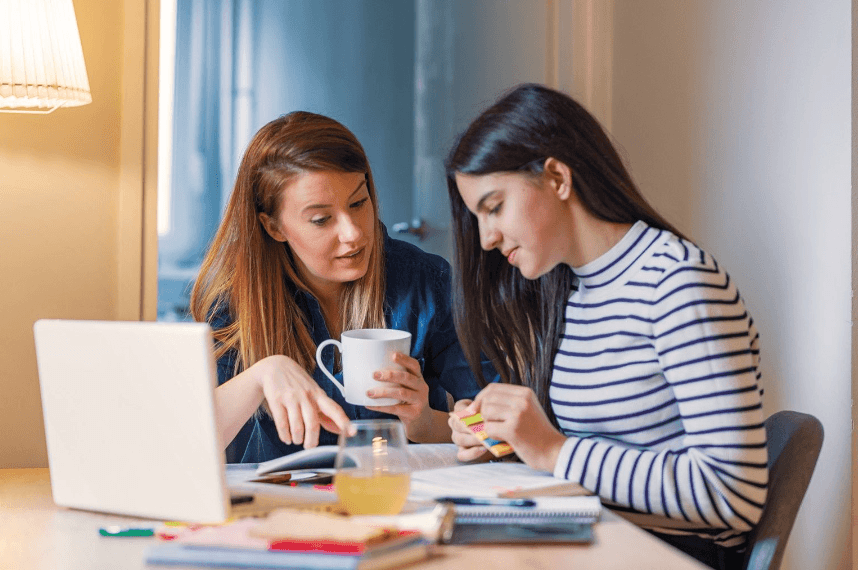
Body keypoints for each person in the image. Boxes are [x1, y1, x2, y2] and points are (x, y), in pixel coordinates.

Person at [444, 84, 767, 570]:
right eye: (478, 217)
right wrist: (505, 438)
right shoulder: (570, 291)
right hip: (596, 536)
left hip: (668, 554)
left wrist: (552, 449)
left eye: (494, 207)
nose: (487, 238)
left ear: (556, 177)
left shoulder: (678, 283)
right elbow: (597, 454)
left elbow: (733, 493)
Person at [190, 111, 483, 464]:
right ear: (273, 227)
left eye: (359, 203)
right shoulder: (236, 304)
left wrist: (424, 422)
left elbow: (492, 431)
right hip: (283, 509)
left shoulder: (427, 282)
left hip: (397, 501)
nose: (354, 233)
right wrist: (260, 376)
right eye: (321, 219)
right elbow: (185, 448)